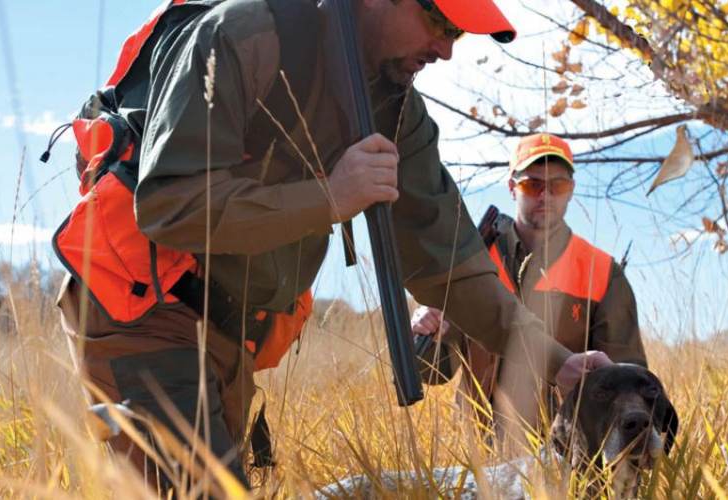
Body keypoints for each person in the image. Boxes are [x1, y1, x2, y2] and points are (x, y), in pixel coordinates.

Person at [56, 0, 612, 490]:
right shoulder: (243, 35)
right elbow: (167, 206)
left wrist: (559, 364)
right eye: (439, 21)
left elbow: (452, 267)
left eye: (458, 34)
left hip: (230, 339)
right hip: (142, 304)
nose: (445, 49)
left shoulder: (395, 110)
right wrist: (330, 196)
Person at [413, 133, 647, 446]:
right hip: (477, 453)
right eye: (532, 184)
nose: (545, 195)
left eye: (558, 185)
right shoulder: (472, 263)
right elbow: (432, 373)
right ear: (512, 187)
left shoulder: (603, 272)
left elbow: (628, 382)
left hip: (566, 452)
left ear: (571, 190)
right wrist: (426, 331)